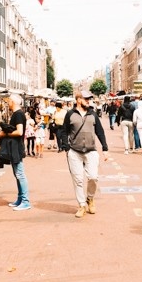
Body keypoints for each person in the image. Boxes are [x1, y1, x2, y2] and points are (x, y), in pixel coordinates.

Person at [62, 90, 109, 218]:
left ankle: (90, 198)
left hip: (91, 150)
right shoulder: (70, 114)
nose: (88, 100)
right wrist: (66, 147)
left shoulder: (92, 114)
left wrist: (105, 148)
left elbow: (100, 131)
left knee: (93, 177)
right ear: (78, 100)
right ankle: (82, 205)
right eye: (86, 98)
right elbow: (64, 131)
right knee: (78, 180)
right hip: (74, 152)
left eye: (89, 98)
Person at [0, 94, 32, 210]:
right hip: (15, 148)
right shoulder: (18, 114)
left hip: (16, 148)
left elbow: (19, 132)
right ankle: (21, 198)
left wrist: (4, 134)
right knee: (17, 174)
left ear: (13, 101)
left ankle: (26, 201)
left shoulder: (18, 114)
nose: (8, 103)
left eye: (9, 101)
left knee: (20, 174)